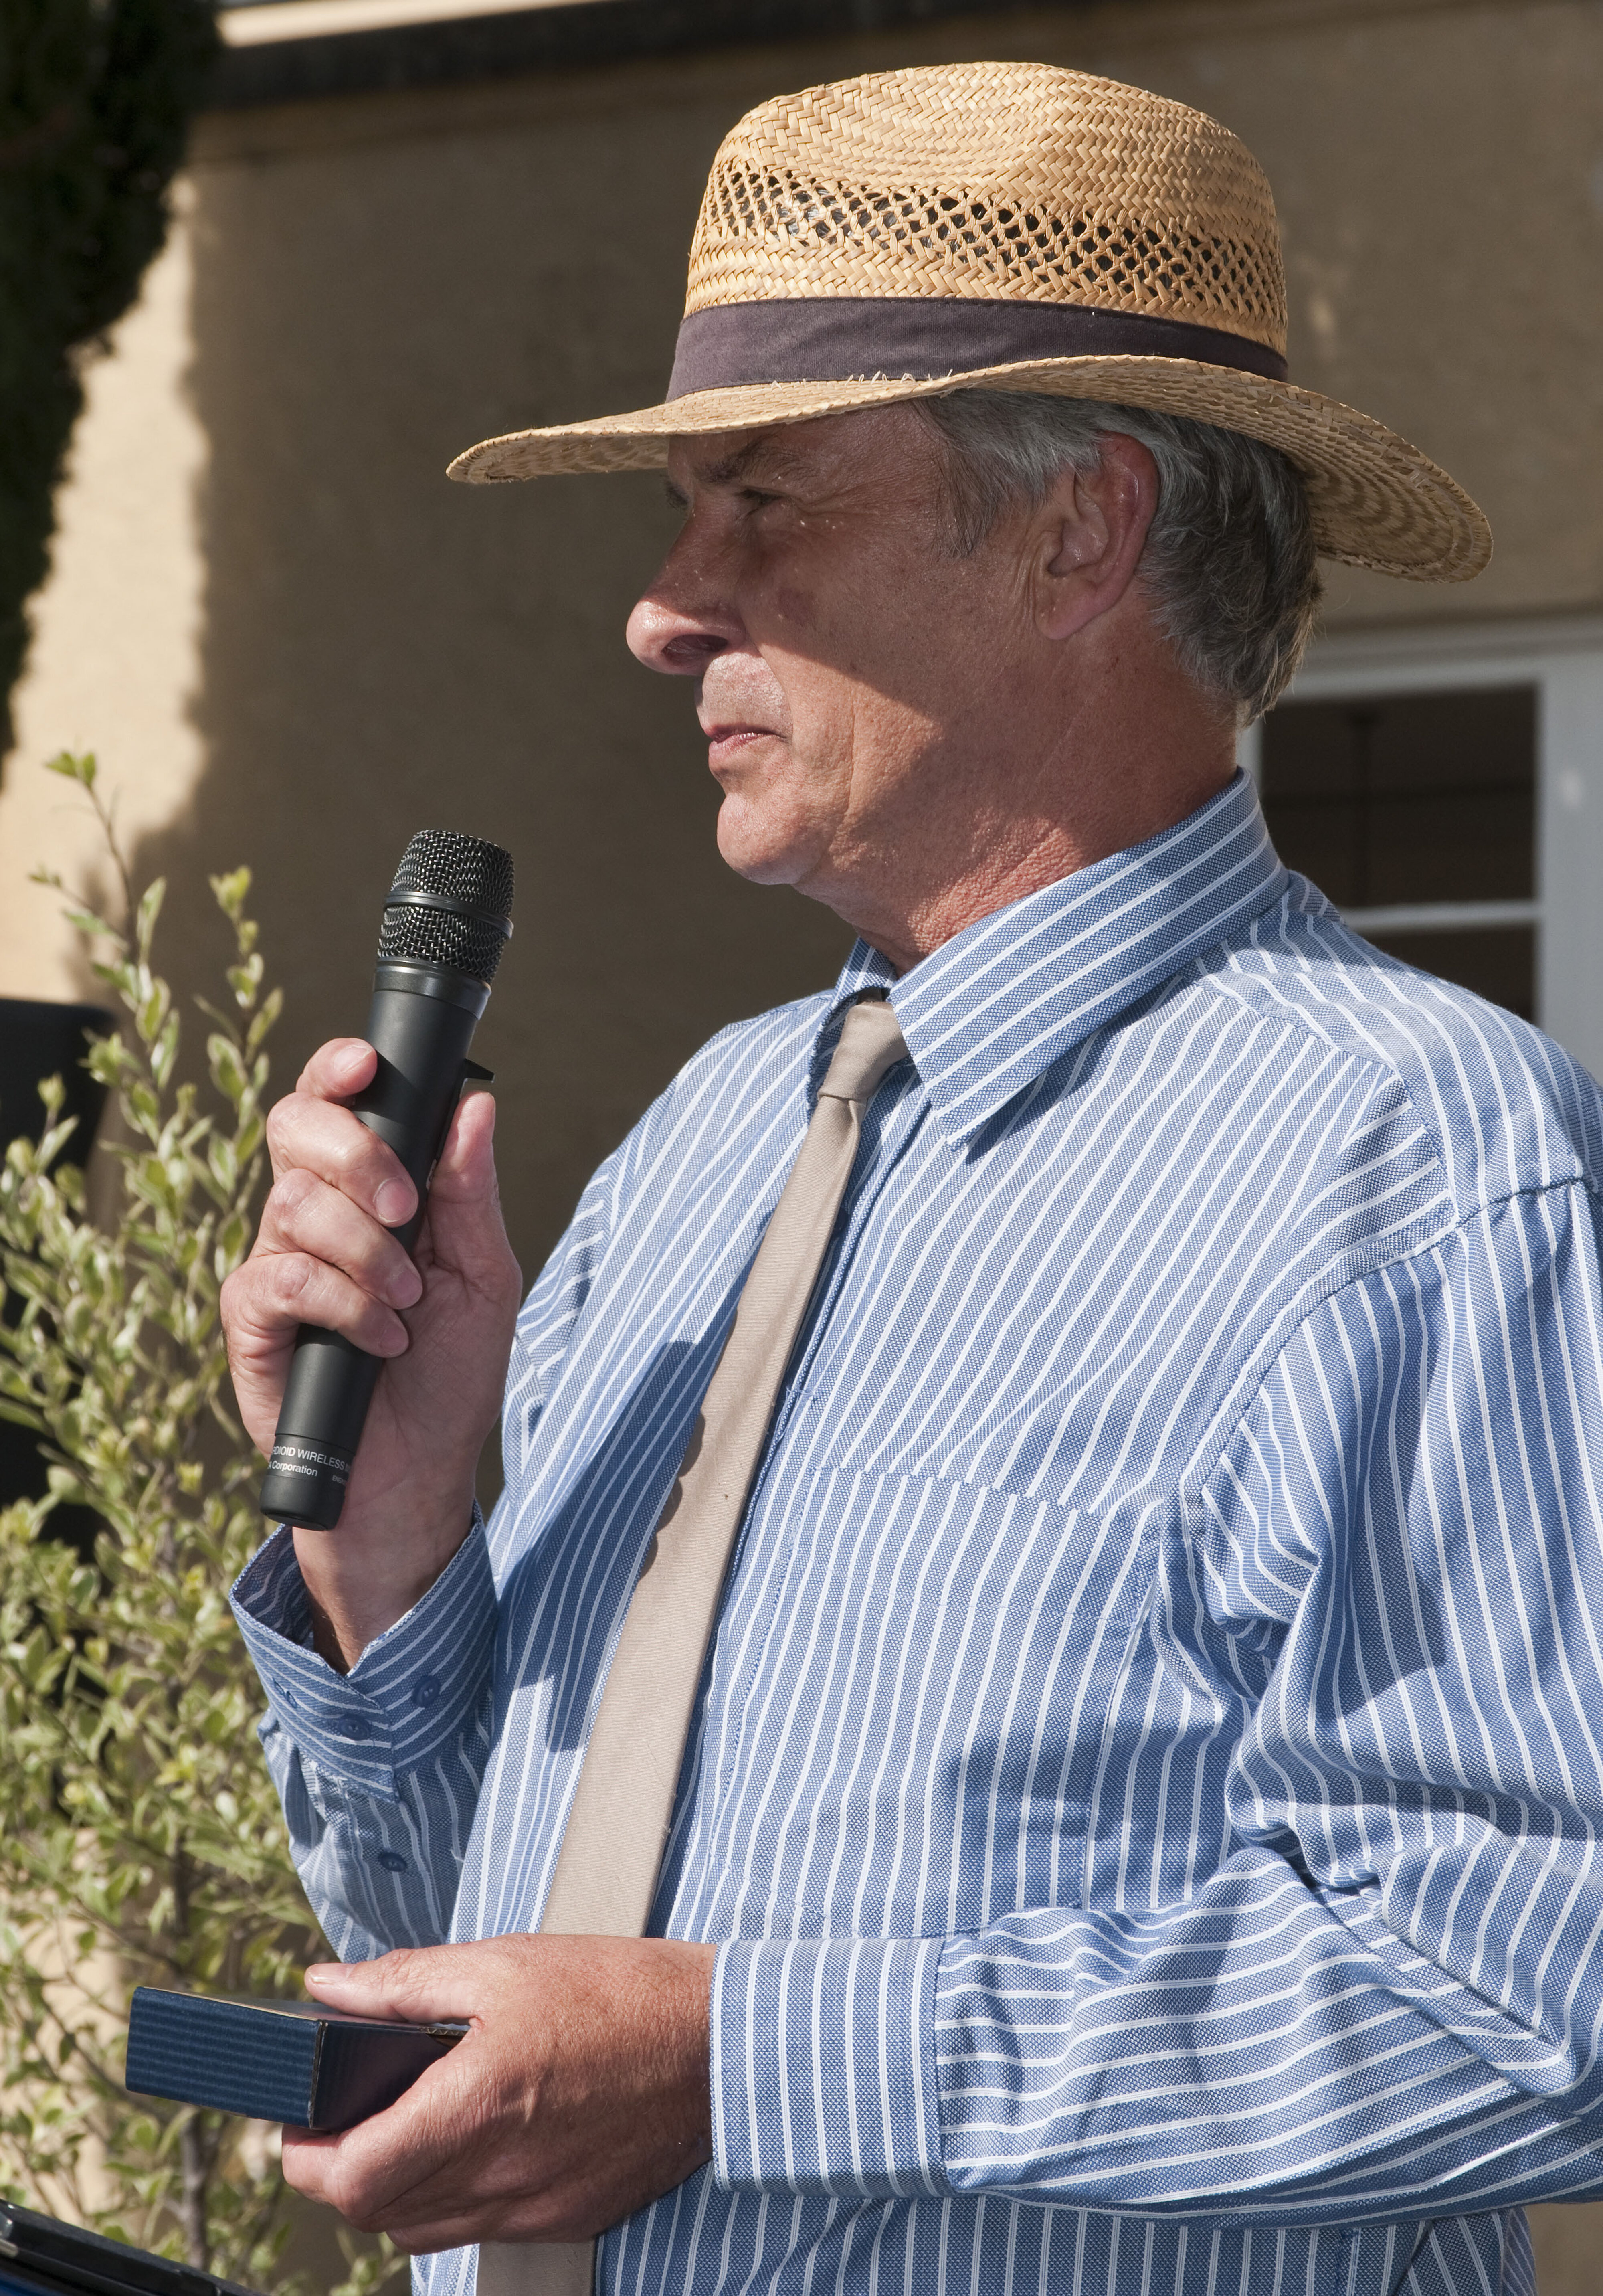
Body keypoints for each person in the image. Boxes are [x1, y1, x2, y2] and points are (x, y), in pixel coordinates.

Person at [219, 60, 1603, 2296]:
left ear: (1082, 532)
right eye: (683, 512)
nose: (666, 608)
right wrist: (392, 1562)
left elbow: (1538, 1991)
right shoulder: (706, 1139)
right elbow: (491, 1969)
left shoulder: (1414, 1156)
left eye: (764, 503)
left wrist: (745, 2061)